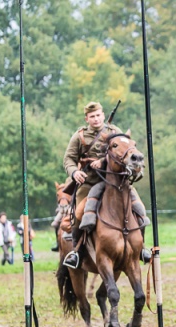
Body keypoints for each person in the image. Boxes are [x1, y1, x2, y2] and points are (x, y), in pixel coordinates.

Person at [62, 101, 151, 269]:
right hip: (90, 182)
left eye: (98, 115)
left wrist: (102, 160)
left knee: (140, 210)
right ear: (86, 118)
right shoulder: (80, 136)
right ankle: (76, 252)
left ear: (103, 115)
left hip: (116, 182)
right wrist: (74, 172)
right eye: (92, 116)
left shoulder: (115, 132)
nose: (96, 119)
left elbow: (126, 153)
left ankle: (141, 248)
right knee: (79, 214)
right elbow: (68, 159)